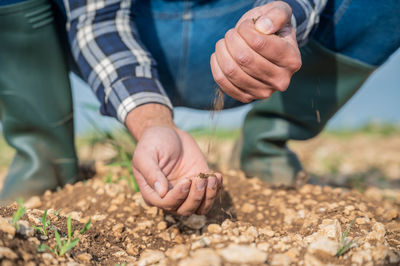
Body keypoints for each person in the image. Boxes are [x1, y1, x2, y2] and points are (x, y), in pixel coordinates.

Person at [1, 0, 399, 216]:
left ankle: (266, 147)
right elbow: (96, 18)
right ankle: (44, 159)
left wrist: (283, 12)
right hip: (135, 33)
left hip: (235, 26)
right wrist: (154, 122)